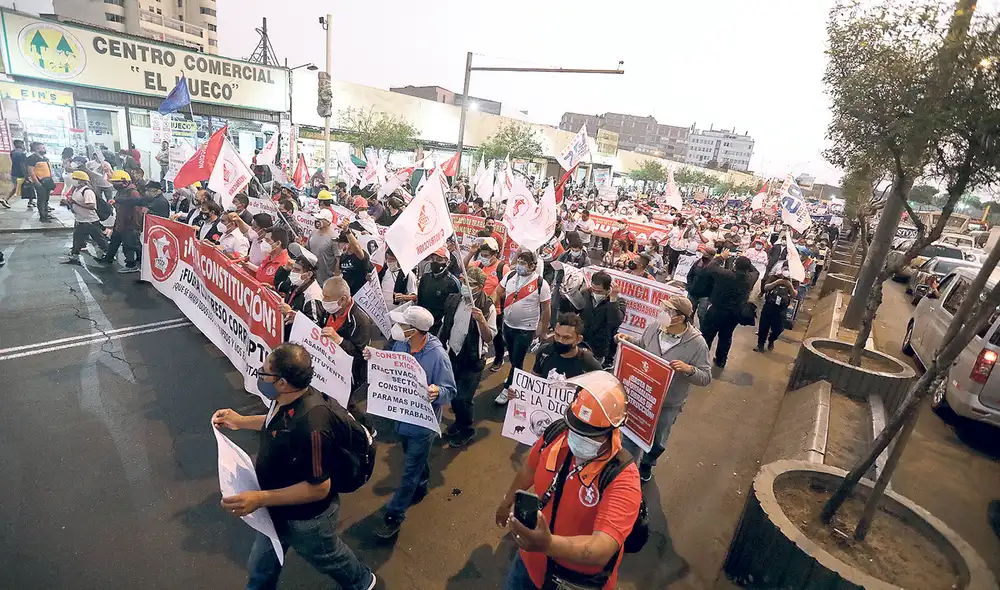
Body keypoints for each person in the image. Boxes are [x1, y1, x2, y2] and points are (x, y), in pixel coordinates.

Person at [211, 344, 377, 590]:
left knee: (329, 557)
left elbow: (319, 488)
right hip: (276, 507)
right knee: (261, 565)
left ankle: (362, 582)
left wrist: (259, 498)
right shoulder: (288, 398)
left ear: (282, 383)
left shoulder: (312, 426)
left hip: (307, 519)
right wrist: (241, 421)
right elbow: (276, 425)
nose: (259, 374)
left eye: (264, 372)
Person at [496, 371, 641, 590]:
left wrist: (548, 544)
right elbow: (529, 468)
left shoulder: (622, 478)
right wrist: (507, 502)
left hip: (574, 582)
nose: (579, 438)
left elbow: (602, 547)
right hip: (529, 564)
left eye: (590, 434)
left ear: (612, 429)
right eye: (576, 428)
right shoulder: (557, 434)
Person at [374, 306, 457, 539]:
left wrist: (437, 392)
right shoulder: (402, 344)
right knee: (414, 457)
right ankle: (422, 482)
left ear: (416, 331)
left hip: (422, 424)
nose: (397, 329)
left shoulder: (438, 356)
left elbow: (451, 390)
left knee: (409, 470)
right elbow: (390, 362)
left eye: (402, 326)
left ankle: (394, 515)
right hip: (402, 418)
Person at [614, 296, 711, 481]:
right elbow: (642, 344)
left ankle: (647, 464)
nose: (663, 314)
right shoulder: (654, 328)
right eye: (663, 309)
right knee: (633, 434)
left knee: (658, 440)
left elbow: (705, 377)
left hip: (668, 403)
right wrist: (628, 339)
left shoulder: (697, 344)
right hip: (642, 397)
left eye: (668, 311)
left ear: (680, 318)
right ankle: (626, 473)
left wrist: (689, 370)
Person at [437, 266, 497, 448]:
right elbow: (446, 325)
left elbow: (489, 337)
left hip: (472, 359)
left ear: (480, 286)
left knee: (464, 398)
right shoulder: (454, 300)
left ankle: (467, 429)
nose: (466, 287)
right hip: (452, 354)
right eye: (464, 282)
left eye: (471, 284)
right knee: (453, 394)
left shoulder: (487, 306)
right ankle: (459, 423)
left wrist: (482, 321)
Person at [494, 251, 552, 404]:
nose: (520, 266)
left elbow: (546, 309)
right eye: (519, 262)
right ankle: (516, 374)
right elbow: (498, 291)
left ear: (533, 266)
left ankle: (508, 388)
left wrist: (543, 330)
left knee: (518, 360)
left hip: (525, 329)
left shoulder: (541, 284)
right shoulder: (511, 276)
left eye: (524, 263)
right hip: (508, 325)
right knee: (513, 357)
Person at [317, 277, 373, 401]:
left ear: (342, 299)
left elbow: (360, 357)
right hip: (327, 367)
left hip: (347, 377)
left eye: (327, 297)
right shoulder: (330, 310)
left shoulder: (361, 321)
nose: (323, 301)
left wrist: (339, 341)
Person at [702, 255, 754, 368]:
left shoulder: (726, 275)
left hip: (717, 310)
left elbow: (710, 267)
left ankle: (702, 358)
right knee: (726, 337)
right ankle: (721, 361)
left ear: (735, 265)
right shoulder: (750, 279)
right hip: (734, 314)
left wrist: (721, 257)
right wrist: (747, 263)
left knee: (707, 335)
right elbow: (756, 271)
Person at [467, 238, 508, 372]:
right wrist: (470, 253)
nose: (483, 258)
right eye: (482, 255)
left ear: (494, 254)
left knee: (495, 336)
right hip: (476, 307)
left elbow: (505, 289)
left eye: (486, 255)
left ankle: (499, 358)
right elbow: (464, 266)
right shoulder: (479, 265)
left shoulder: (503, 268)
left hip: (494, 310)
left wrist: (492, 301)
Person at [532, 313, 602, 381]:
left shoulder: (589, 364)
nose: (560, 340)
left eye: (566, 338)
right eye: (557, 335)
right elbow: (534, 380)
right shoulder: (544, 352)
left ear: (578, 339)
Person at [97, 170, 144, 273]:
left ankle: (131, 264)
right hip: (120, 222)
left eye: (116, 182)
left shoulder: (133, 193)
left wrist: (136, 226)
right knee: (114, 242)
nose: (114, 184)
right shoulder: (121, 191)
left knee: (129, 245)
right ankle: (108, 259)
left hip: (129, 224)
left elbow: (137, 212)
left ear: (125, 182)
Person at [275, 247, 325, 337]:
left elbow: (315, 328)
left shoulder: (313, 296)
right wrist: (285, 269)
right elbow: (280, 286)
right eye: (293, 268)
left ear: (308, 274)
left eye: (297, 270)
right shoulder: (298, 281)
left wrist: (292, 314)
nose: (293, 272)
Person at [62, 170, 109, 265]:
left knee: (99, 239)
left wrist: (75, 203)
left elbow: (91, 206)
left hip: (90, 221)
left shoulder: (87, 191)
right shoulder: (76, 189)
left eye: (75, 179)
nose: (73, 180)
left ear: (81, 180)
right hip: (80, 220)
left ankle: (108, 254)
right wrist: (69, 203)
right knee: (77, 240)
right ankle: (74, 257)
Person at [579, 271, 625, 366]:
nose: (595, 293)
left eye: (599, 291)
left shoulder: (619, 302)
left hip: (599, 347)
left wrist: (613, 300)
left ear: (608, 289)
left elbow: (615, 322)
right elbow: (572, 310)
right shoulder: (586, 294)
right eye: (593, 289)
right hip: (581, 341)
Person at [417, 248, 462, 335]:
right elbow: (420, 301)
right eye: (433, 259)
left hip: (440, 328)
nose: (435, 262)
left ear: (448, 262)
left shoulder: (453, 282)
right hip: (423, 324)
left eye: (439, 259)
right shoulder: (425, 278)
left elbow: (453, 310)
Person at [756, 272, 797, 352]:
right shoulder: (774, 277)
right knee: (763, 326)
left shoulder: (793, 281)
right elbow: (765, 288)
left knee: (778, 329)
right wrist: (777, 282)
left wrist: (789, 285)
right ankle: (760, 345)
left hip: (781, 309)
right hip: (769, 305)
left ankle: (771, 340)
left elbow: (794, 295)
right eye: (785, 268)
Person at [335, 219, 374, 295]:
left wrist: (347, 231)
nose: (339, 246)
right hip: (348, 293)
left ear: (348, 243)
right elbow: (337, 273)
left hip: (360, 295)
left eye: (341, 243)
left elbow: (356, 247)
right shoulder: (343, 256)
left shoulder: (360, 255)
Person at [686, 244, 719, 326]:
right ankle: (689, 328)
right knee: (689, 313)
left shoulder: (715, 267)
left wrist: (711, 297)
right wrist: (690, 287)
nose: (703, 256)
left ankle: (703, 331)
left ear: (711, 256)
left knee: (702, 315)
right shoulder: (698, 262)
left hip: (705, 296)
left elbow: (716, 283)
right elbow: (690, 275)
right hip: (692, 293)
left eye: (706, 254)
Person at [305, 209, 339, 284]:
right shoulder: (313, 233)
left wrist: (335, 278)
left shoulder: (334, 237)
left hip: (325, 279)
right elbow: (306, 250)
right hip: (310, 277)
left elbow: (338, 259)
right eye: (317, 219)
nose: (317, 221)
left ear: (328, 222)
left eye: (320, 219)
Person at [25, 142, 54, 221]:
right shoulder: (32, 158)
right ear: (37, 149)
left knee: (46, 199)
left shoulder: (45, 158)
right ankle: (42, 216)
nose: (44, 149)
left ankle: (46, 213)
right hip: (39, 182)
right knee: (41, 199)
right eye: (43, 148)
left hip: (47, 181)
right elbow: (31, 172)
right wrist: (37, 182)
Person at [1, 139, 27, 208]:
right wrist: (26, 175)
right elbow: (23, 165)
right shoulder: (22, 154)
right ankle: (5, 199)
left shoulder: (12, 152)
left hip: (14, 172)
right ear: (21, 145)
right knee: (29, 186)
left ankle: (5, 199)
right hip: (21, 173)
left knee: (16, 188)